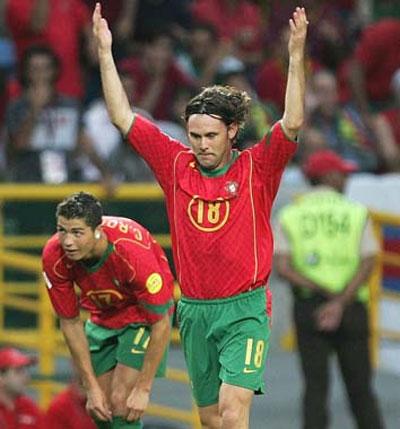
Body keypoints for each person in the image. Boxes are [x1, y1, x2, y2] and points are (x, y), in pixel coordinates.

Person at [93, 3, 308, 428]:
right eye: (194, 135)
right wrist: (104, 52)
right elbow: (122, 116)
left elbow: (293, 121)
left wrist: (296, 55)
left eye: (211, 135)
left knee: (233, 410)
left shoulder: (256, 168)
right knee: (210, 420)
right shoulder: (174, 164)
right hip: (193, 311)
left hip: (244, 309)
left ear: (231, 131)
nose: (202, 144)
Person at [42, 192, 174, 429]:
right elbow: (70, 322)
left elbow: (161, 322)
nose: (68, 241)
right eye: (62, 230)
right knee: (101, 410)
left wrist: (143, 389)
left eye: (77, 232)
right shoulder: (54, 256)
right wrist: (89, 387)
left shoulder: (131, 253)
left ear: (97, 230)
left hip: (141, 314)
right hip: (102, 315)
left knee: (121, 402)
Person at [274, 149, 384, 429]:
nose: (346, 179)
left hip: (310, 307)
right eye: (342, 174)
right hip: (351, 306)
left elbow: (283, 268)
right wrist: (339, 301)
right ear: (329, 176)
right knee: (361, 390)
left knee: (315, 389)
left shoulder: (291, 215)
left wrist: (323, 294)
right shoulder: (356, 213)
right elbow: (369, 261)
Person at [0, 347, 43, 429]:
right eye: (18, 371)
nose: (26, 377)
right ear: (1, 378)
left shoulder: (29, 407)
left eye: (25, 370)